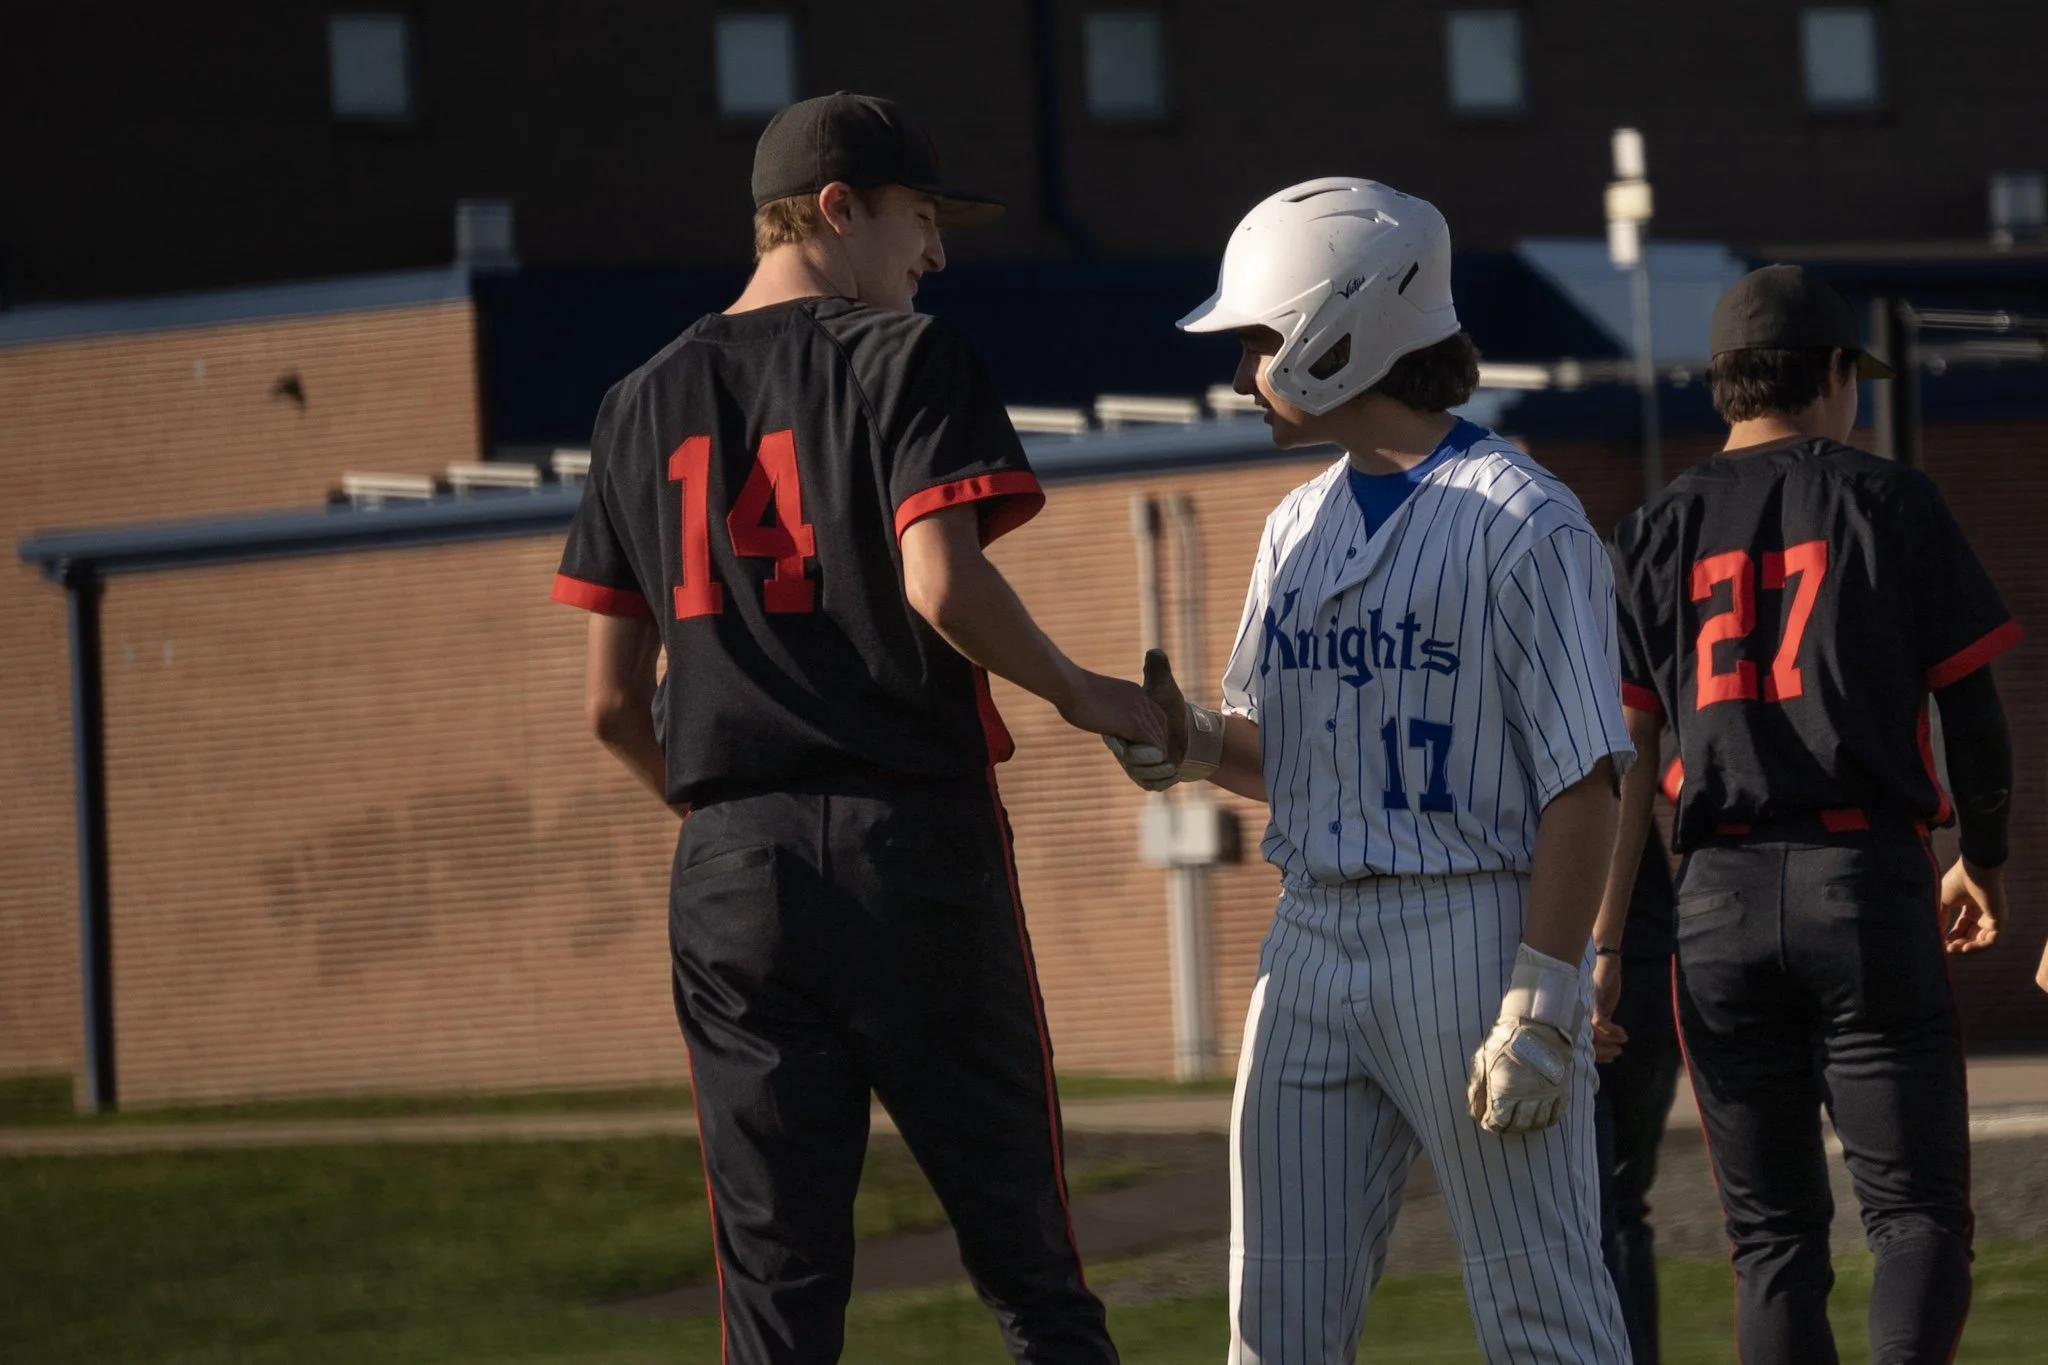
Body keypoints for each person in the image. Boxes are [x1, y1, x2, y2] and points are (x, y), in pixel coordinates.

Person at [551, 91, 1162, 1365]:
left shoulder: (632, 401)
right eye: (919, 219)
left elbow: (609, 704)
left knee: (776, 1312)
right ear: (837, 209)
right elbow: (940, 584)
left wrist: (733, 825)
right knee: (1030, 1272)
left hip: (726, 863)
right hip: (908, 849)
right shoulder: (904, 356)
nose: (933, 255)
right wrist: (1082, 692)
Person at [1105, 177, 1634, 1364]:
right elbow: (1287, 759)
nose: (1242, 374)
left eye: (1258, 340)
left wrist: (1545, 995)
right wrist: (1184, 739)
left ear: (1344, 329)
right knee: (1271, 1332)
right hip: (1309, 939)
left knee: (1539, 1315)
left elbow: (1583, 787)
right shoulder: (1292, 525)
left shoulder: (1522, 520)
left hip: (1468, 932)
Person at [1603, 264, 2019, 1365]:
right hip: (1861, 877)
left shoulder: (1656, 525)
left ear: (1721, 388)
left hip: (1716, 900)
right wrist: (1983, 857)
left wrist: (1603, 943)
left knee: (1773, 1239)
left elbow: (1624, 759)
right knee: (1914, 1215)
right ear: (1833, 375)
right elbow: (1971, 715)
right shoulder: (1887, 497)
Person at [1589, 814, 1682, 1365]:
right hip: (1653, 980)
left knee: (1590, 1222)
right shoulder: (1621, 749)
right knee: (1625, 1211)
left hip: (1595, 979)